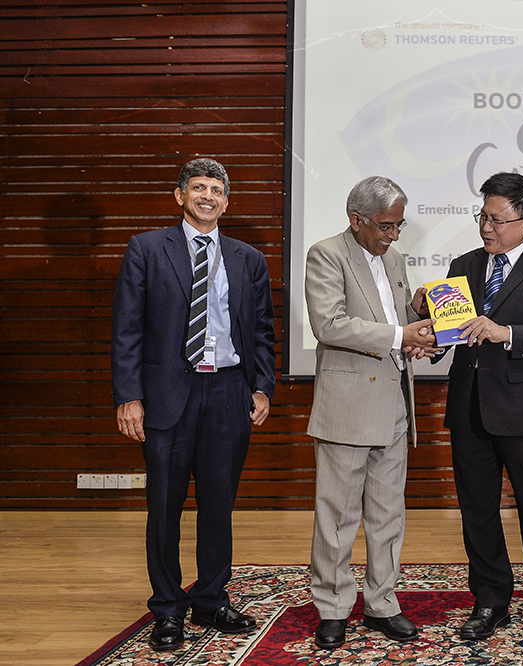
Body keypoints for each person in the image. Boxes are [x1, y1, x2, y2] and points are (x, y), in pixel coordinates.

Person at [111, 158, 276, 652]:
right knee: (164, 506)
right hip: (167, 395)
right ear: (179, 196)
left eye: (217, 190)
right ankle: (167, 609)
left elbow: (263, 331)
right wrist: (129, 396)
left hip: (228, 393)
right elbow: (127, 329)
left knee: (218, 505)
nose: (208, 196)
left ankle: (210, 599)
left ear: (227, 201)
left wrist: (262, 387)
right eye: (199, 187)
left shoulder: (249, 258)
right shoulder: (146, 249)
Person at [435, 172, 523, 642]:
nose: (486, 227)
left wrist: (507, 333)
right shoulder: (463, 265)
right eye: (483, 217)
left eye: (496, 219)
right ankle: (491, 600)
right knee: (477, 513)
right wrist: (427, 333)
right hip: (468, 408)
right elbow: (450, 332)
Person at [304, 176, 438, 650]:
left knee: (387, 514)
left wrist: (417, 318)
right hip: (347, 406)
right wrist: (402, 335)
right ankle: (333, 607)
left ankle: (382, 602)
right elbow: (330, 324)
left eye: (399, 226)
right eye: (386, 226)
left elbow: (395, 324)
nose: (394, 235)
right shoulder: (326, 254)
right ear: (356, 220)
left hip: (394, 405)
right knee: (337, 517)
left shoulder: (394, 259)